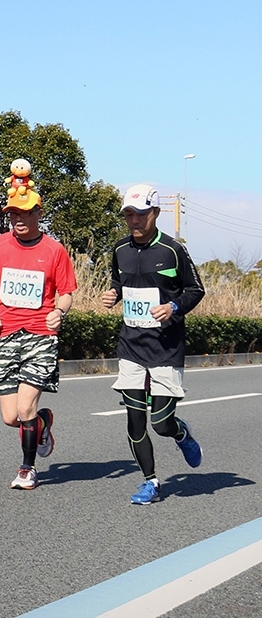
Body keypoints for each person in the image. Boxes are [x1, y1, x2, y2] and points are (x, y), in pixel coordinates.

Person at [100, 184, 205, 505]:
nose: (134, 221)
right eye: (129, 215)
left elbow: (196, 289)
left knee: (160, 423)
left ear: (155, 213)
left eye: (141, 214)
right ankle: (151, 482)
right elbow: (119, 281)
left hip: (165, 346)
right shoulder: (119, 249)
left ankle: (180, 433)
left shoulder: (173, 250)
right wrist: (113, 294)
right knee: (134, 419)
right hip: (131, 345)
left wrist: (173, 307)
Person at [0, 180, 76, 490]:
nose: (18, 219)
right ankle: (43, 423)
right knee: (10, 417)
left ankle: (27, 469)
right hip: (4, 336)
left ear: (38, 213)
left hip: (40, 336)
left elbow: (67, 292)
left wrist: (60, 311)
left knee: (24, 408)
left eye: (24, 213)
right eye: (12, 214)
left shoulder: (54, 250)